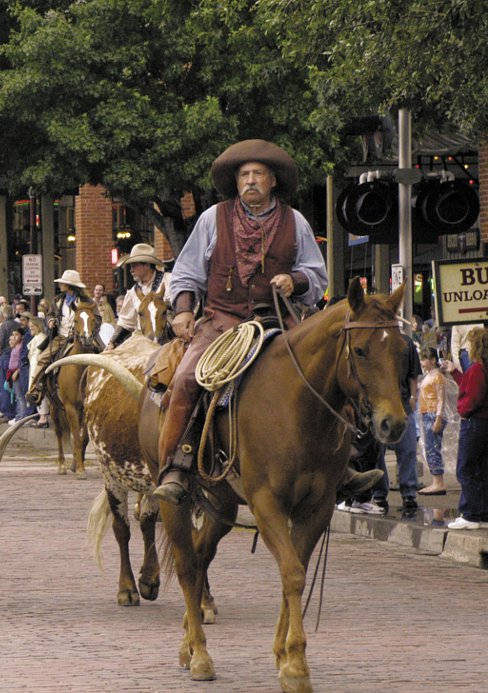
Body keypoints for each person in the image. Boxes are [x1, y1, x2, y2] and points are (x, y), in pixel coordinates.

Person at [153, 139, 377, 505]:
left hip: (278, 319)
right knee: (186, 380)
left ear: (273, 181)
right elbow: (187, 273)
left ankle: (341, 466)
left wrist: (295, 280)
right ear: (236, 181)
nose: (251, 180)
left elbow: (316, 274)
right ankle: (176, 466)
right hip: (222, 323)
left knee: (327, 371)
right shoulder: (212, 218)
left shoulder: (295, 221)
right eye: (244, 175)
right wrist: (182, 310)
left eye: (259, 174)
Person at [443, 328, 488, 529]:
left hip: (474, 422)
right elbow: (468, 385)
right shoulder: (482, 368)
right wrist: (454, 371)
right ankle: (483, 513)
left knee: (467, 468)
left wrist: (462, 409)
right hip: (484, 422)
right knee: (482, 468)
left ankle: (470, 513)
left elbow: (472, 395)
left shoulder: (478, 368)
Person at [372, 331, 422, 512]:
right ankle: (379, 494)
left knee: (407, 449)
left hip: (402, 403)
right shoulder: (372, 341)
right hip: (380, 404)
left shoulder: (406, 342)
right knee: (378, 452)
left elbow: (413, 373)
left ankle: (409, 493)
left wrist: (413, 396)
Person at [105, 243, 165, 350]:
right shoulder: (133, 292)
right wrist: (112, 343)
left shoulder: (169, 282)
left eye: (134, 265)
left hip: (168, 340)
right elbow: (125, 323)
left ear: (146, 265)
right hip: (140, 341)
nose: (131, 270)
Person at [417, 347, 448, 496]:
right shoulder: (428, 375)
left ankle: (438, 482)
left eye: (424, 359)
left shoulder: (437, 377)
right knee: (430, 448)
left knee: (433, 448)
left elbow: (441, 399)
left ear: (433, 360)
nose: (422, 362)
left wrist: (438, 418)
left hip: (432, 413)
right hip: (426, 414)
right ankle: (436, 480)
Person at [50, 269, 94, 340]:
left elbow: (97, 319)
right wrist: (51, 320)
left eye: (62, 283)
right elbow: (50, 314)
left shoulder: (87, 301)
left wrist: (82, 330)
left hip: (82, 338)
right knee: (43, 351)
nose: (60, 285)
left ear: (69, 286)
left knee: (99, 349)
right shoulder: (57, 300)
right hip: (60, 338)